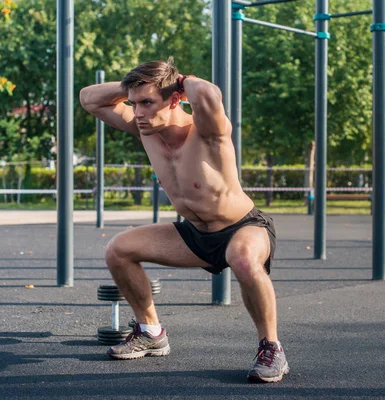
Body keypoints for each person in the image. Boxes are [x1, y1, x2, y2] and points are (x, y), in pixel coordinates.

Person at [79, 58, 288, 383]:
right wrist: (133, 87)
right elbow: (88, 98)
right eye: (133, 104)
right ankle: (151, 332)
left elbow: (209, 94)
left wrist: (180, 80)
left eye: (147, 102)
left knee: (243, 259)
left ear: (176, 98)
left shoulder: (207, 131)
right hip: (194, 235)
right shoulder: (144, 128)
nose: (138, 112)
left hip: (243, 228)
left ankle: (271, 347)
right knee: (117, 250)